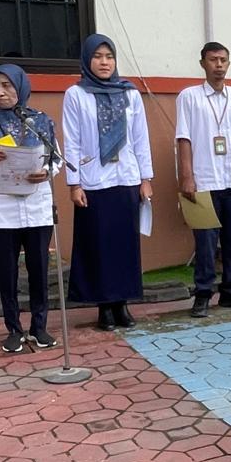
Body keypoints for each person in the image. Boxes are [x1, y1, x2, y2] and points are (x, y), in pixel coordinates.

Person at [63, 34, 154, 331]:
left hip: (126, 178)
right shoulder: (76, 94)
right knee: (99, 244)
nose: (104, 62)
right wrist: (74, 183)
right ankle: (104, 306)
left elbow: (140, 138)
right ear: (87, 60)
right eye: (98, 56)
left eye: (109, 57)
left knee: (125, 244)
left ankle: (122, 304)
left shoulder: (130, 93)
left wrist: (145, 178)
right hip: (94, 182)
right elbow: (72, 140)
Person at [0, 65, 59, 353]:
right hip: (1, 209)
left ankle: (39, 327)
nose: (0, 92)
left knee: (39, 269)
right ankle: (14, 330)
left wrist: (46, 172)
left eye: (7, 85)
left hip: (36, 206)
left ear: (21, 87)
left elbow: (56, 159)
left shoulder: (40, 121)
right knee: (6, 272)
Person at [177, 42, 231, 317]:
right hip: (204, 182)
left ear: (229, 63)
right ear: (203, 63)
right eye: (213, 60)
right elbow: (184, 139)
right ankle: (202, 294)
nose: (219, 65)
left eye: (223, 60)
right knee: (205, 243)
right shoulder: (189, 97)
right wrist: (187, 177)